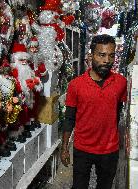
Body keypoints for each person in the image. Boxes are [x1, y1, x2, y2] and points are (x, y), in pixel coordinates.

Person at [60, 34, 127, 189]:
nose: (107, 60)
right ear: (91, 56)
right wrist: (64, 149)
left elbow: (117, 113)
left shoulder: (121, 83)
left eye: (111, 55)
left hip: (109, 150)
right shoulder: (75, 85)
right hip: (82, 148)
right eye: (101, 55)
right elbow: (69, 118)